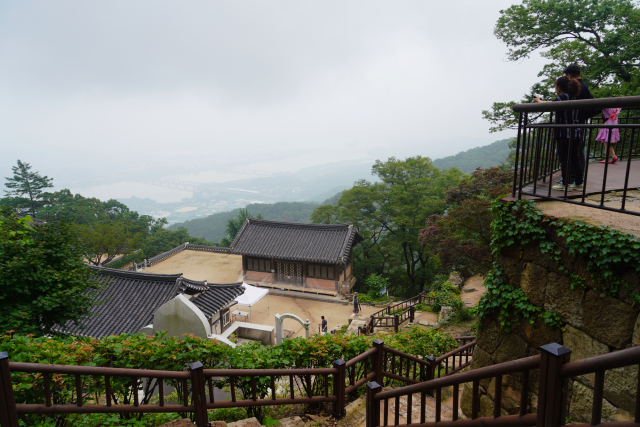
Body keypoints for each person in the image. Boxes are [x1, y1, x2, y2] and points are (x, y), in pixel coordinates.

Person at [534, 76, 583, 191]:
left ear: (559, 88)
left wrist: (538, 101)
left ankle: (565, 183)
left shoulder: (562, 97)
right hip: (576, 133)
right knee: (575, 158)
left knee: (564, 158)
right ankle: (579, 183)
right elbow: (551, 103)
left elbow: (548, 105)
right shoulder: (573, 97)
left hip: (564, 133)